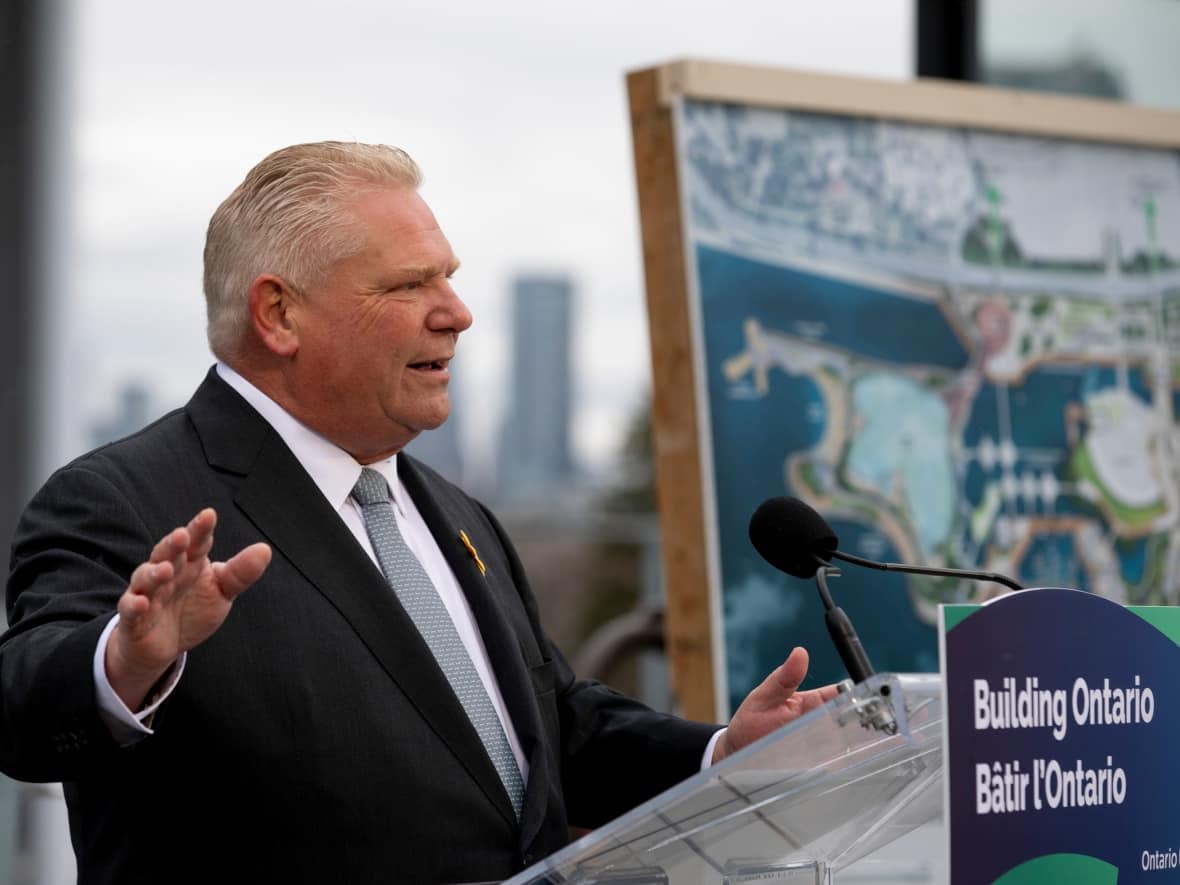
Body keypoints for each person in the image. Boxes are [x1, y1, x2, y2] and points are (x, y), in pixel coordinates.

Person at [0, 142, 836, 884]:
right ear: (280, 313)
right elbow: (22, 710)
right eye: (409, 284)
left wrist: (725, 749)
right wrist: (124, 660)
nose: (456, 311)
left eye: (449, 277)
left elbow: (553, 733)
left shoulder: (456, 511)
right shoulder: (123, 498)